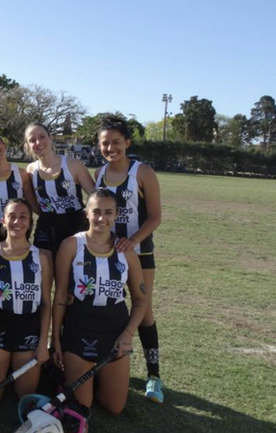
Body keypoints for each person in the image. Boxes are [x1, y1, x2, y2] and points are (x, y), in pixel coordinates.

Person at [52, 189, 149, 416]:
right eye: (96, 211)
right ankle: (71, 376)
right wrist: (55, 339)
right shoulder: (71, 245)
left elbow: (140, 300)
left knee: (114, 407)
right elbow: (61, 296)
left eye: (108, 212)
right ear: (86, 212)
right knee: (82, 406)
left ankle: (93, 376)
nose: (101, 218)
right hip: (79, 328)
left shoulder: (126, 252)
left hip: (114, 332)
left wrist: (127, 334)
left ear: (116, 215)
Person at [95, 116, 164, 402]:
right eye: (105, 143)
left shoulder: (142, 172)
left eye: (116, 142)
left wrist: (133, 241)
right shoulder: (99, 173)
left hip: (139, 253)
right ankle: (104, 365)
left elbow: (155, 217)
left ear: (127, 142)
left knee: (143, 310)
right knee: (106, 305)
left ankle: (154, 376)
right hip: (107, 255)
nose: (110, 148)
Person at [0, 199, 52, 401]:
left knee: (25, 396)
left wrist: (43, 343)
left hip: (28, 327)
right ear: (3, 220)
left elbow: (46, 303)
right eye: (11, 216)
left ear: (30, 222)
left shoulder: (41, 257)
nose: (17, 221)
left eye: (23, 216)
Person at [25, 122, 95, 261]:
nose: (38, 142)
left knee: (71, 268)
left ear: (51, 138)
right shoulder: (31, 170)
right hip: (47, 225)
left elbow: (95, 195)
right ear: (28, 145)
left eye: (42, 136)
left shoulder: (72, 164)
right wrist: (49, 214)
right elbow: (32, 203)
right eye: (32, 140)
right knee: (43, 264)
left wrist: (86, 213)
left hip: (75, 223)